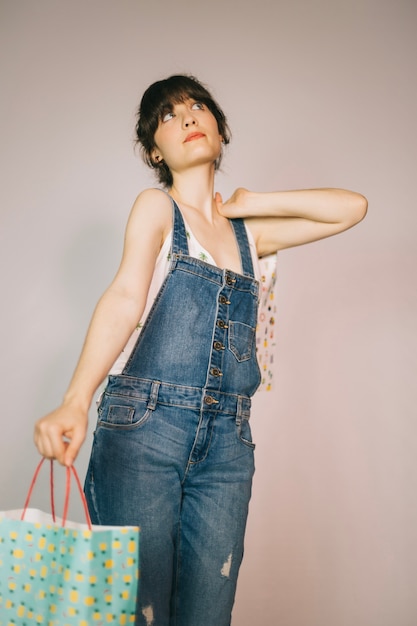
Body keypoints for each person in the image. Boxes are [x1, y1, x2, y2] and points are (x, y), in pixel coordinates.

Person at [34, 74, 367, 626]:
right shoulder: (156, 209)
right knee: (138, 614)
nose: (188, 117)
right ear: (153, 149)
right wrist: (75, 400)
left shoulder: (249, 235)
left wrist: (253, 202)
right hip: (144, 429)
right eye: (168, 114)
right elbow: (123, 296)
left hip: (227, 445)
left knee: (207, 615)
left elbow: (351, 208)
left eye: (197, 106)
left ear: (218, 128)